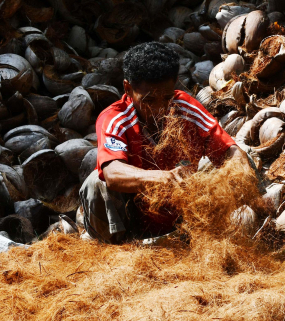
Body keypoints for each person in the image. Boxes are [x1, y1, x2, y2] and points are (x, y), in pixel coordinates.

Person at [79, 42, 252, 243]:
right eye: (150, 100)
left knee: (245, 157)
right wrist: (164, 178)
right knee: (95, 182)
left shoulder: (185, 107)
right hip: (133, 225)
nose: (160, 109)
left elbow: (229, 149)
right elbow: (112, 172)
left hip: (184, 222)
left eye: (167, 98)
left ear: (175, 84)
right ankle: (114, 248)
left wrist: (240, 173)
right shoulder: (115, 118)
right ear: (128, 88)